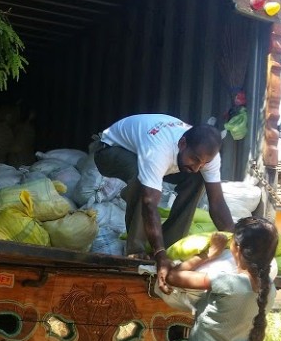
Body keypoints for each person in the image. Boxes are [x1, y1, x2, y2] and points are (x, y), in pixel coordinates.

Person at [89, 114, 235, 292]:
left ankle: (170, 244)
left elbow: (217, 201)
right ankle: (136, 249)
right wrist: (159, 254)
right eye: (195, 159)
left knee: (197, 179)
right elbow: (150, 203)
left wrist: (234, 238)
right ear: (182, 144)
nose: (197, 166)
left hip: (142, 152)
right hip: (110, 151)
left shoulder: (206, 155)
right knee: (141, 177)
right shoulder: (159, 148)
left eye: (204, 163)